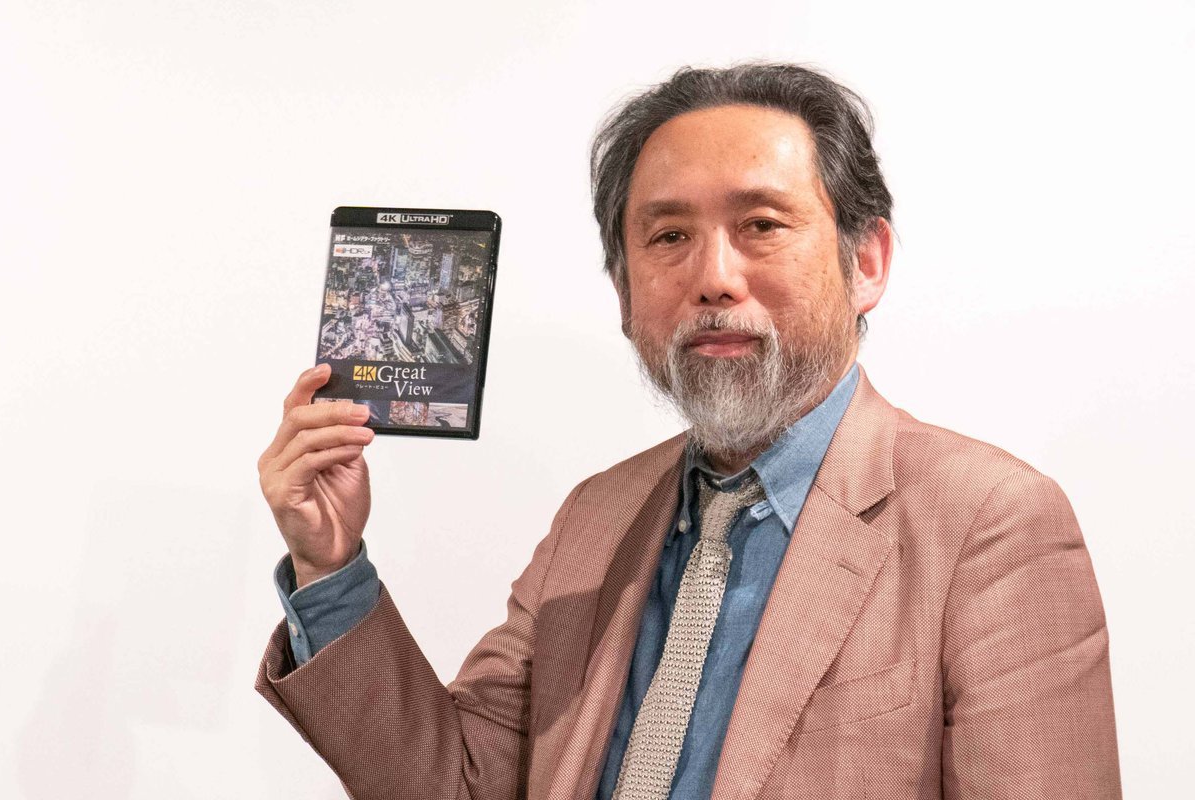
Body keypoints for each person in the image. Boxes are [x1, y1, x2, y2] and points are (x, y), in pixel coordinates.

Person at [255, 63, 1121, 800]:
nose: (714, 277)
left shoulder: (991, 524)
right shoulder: (595, 518)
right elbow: (463, 784)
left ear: (866, 262)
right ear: (625, 293)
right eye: (669, 236)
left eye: (762, 226)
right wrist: (331, 565)